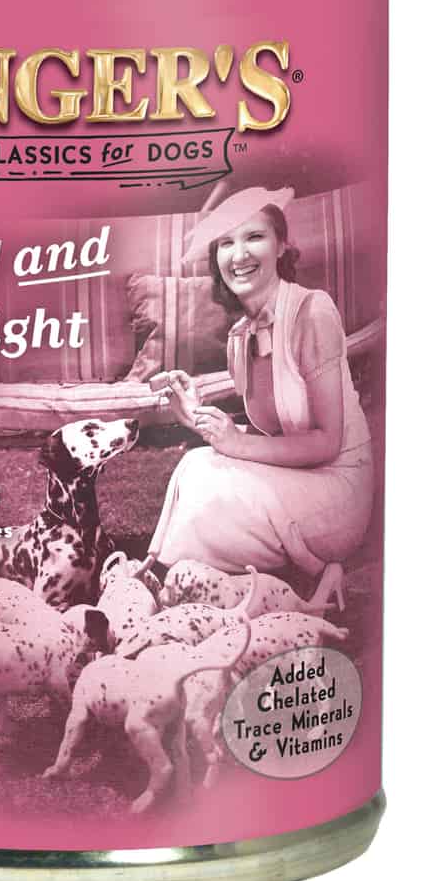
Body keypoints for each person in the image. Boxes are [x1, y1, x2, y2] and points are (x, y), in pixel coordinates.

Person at [147, 187, 373, 609]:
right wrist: (194, 415)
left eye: (254, 237)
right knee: (196, 464)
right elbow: (272, 437)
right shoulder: (240, 338)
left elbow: (327, 443)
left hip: (339, 490)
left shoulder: (312, 313)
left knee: (211, 487)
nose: (239, 255)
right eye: (226, 243)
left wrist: (236, 444)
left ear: (282, 244)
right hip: (298, 478)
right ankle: (174, 579)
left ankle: (172, 588)